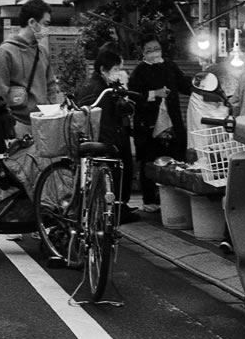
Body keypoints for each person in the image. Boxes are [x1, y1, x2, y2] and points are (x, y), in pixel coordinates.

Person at [127, 33, 192, 211]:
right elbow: (134, 96)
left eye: (156, 48)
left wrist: (202, 86)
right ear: (143, 52)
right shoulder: (139, 72)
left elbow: (184, 85)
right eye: (149, 50)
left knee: (176, 159)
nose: (154, 53)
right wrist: (154, 93)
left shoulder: (170, 66)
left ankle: (177, 200)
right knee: (149, 161)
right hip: (149, 124)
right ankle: (150, 200)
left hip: (172, 122)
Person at [0, 0, 60, 137]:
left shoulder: (43, 51)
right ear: (32, 22)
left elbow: (50, 85)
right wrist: (7, 123)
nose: (47, 29)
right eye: (45, 24)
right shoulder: (6, 52)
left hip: (42, 122)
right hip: (17, 124)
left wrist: (51, 112)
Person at [76, 48, 135, 208]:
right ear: (103, 69)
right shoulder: (101, 90)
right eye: (116, 69)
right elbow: (106, 121)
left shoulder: (93, 84)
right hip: (102, 140)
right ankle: (115, 208)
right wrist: (114, 143)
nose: (119, 72)